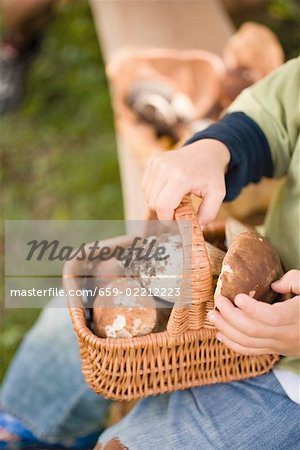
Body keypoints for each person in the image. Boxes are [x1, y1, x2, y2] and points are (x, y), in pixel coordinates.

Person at [1, 58, 299, 448]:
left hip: (290, 386)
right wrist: (215, 147)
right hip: (259, 272)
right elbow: (278, 113)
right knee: (69, 332)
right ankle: (22, 432)